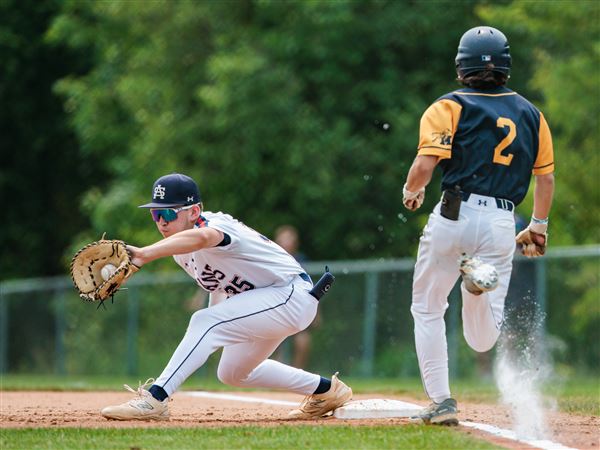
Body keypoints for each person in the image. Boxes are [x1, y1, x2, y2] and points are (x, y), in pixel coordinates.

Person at [100, 173, 352, 421]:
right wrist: (213, 328)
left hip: (291, 295)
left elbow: (204, 238)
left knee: (204, 321)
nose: (162, 222)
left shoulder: (215, 225)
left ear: (194, 212)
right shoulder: (180, 252)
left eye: (169, 213)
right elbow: (217, 286)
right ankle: (327, 390)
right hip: (266, 303)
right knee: (232, 373)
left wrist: (144, 254)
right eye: (156, 214)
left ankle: (155, 400)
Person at [401, 26, 554, 425]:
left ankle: (441, 402)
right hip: (502, 222)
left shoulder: (448, 106)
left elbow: (424, 165)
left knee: (427, 308)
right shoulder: (532, 114)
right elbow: (546, 178)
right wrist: (538, 225)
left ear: (460, 66)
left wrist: (412, 190)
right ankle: (475, 288)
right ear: (505, 66)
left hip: (454, 215)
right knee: (483, 337)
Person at [273, 225, 320, 369]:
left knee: (303, 341)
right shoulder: (272, 258)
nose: (287, 242)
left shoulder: (301, 261)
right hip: (277, 307)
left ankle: (297, 373)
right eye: (283, 239)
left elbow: (311, 287)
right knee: (274, 343)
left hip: (298, 307)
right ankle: (278, 375)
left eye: (290, 239)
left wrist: (317, 312)